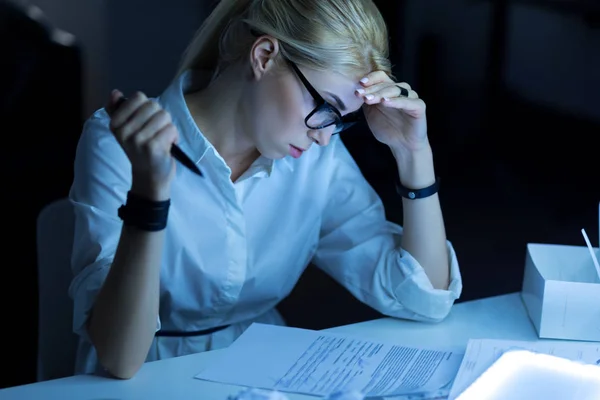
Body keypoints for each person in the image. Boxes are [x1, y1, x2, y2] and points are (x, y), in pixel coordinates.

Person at [68, 0, 463, 379]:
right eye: (325, 106)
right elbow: (121, 360)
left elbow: (424, 300)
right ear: (264, 56)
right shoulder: (118, 144)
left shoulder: (315, 158)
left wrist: (413, 153)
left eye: (340, 120)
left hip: (257, 372)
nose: (325, 138)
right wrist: (150, 196)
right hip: (142, 380)